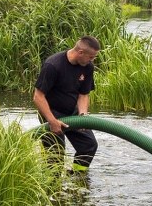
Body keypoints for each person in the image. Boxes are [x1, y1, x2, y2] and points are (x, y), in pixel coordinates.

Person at [33, 36, 101, 172]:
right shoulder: (53, 65)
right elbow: (38, 97)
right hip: (50, 113)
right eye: (91, 57)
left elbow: (83, 94)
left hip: (72, 112)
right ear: (80, 52)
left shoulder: (87, 67)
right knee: (56, 154)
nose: (92, 60)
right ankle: (53, 183)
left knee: (89, 145)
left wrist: (83, 115)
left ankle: (78, 176)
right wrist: (52, 121)